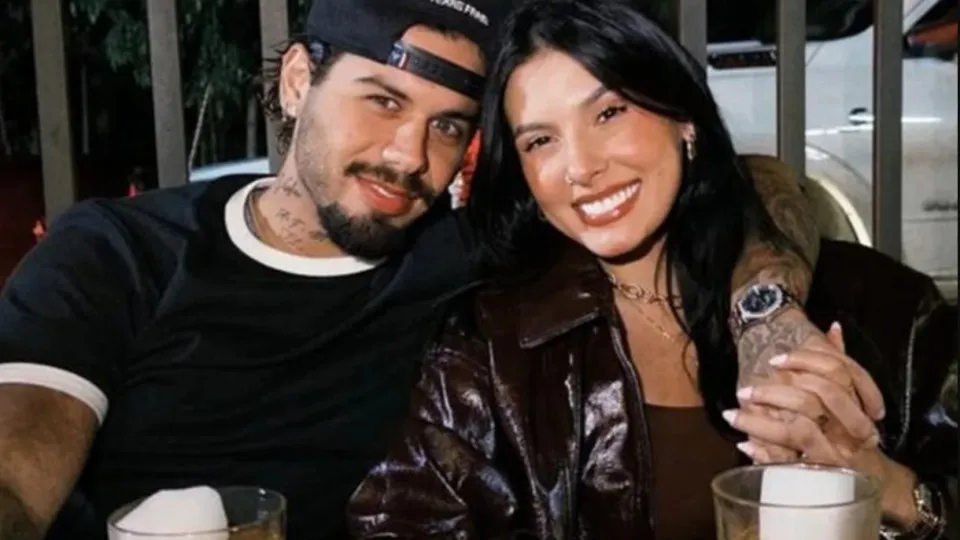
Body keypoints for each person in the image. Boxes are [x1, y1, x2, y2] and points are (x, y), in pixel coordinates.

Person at [0, 0, 839, 539]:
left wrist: (766, 312)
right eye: (383, 100)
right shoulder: (120, 252)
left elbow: (753, 183)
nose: (409, 156)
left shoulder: (466, 254)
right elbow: (17, 464)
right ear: (298, 81)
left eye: (449, 126)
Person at [346, 1, 957, 539]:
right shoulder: (488, 348)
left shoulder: (879, 307)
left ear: (683, 118)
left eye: (609, 112)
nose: (580, 167)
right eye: (540, 141)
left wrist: (885, 488)